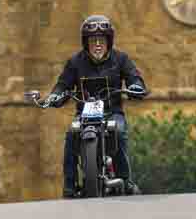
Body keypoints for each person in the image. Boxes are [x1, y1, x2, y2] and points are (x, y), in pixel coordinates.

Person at [45, 15, 147, 198]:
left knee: (120, 132)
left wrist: (136, 86)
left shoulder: (121, 59)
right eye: (93, 41)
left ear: (109, 41)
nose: (98, 44)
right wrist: (55, 95)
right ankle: (69, 184)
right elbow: (62, 84)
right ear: (86, 43)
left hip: (112, 113)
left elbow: (134, 77)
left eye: (102, 40)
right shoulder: (75, 62)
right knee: (70, 135)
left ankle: (126, 180)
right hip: (84, 116)